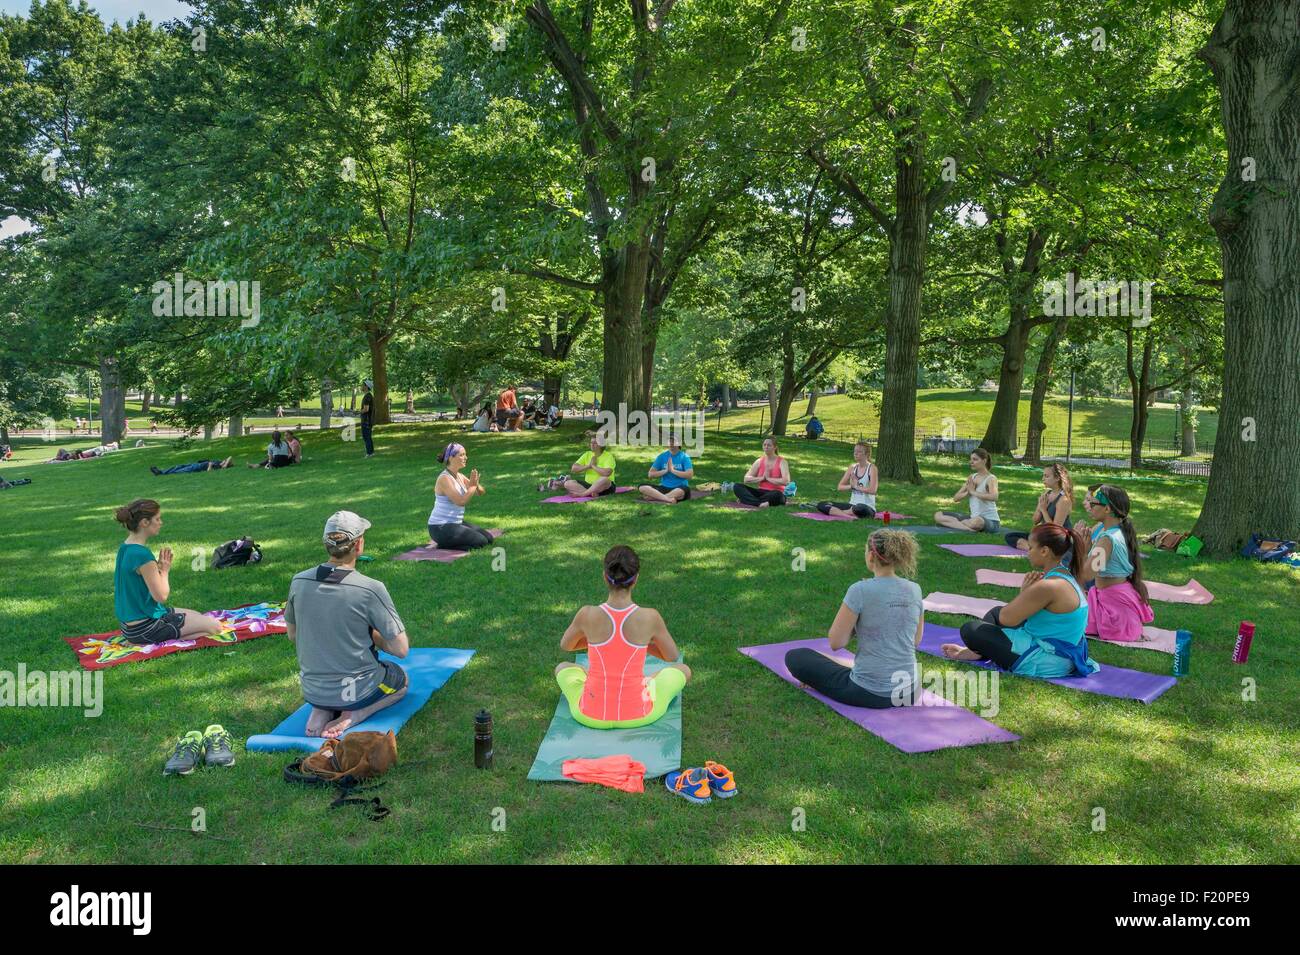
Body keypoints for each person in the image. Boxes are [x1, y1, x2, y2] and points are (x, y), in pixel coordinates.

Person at [286, 511, 410, 739]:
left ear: (326, 544)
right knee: (400, 680)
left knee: (331, 678)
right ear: (359, 544)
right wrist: (372, 634)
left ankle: (321, 709)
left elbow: (293, 635)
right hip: (355, 693)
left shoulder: (299, 581)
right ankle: (356, 713)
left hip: (313, 690)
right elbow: (401, 649)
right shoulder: (369, 588)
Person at [554, 545, 690, 728]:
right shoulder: (650, 617)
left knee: (562, 667)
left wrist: (597, 642)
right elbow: (672, 656)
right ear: (635, 580)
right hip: (639, 715)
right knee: (683, 670)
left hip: (589, 714)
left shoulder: (587, 614)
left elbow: (567, 645)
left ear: (605, 577)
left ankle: (639, 683)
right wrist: (642, 643)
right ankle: (647, 682)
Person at [785, 530, 923, 707]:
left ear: (871, 555)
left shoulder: (860, 590)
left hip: (869, 692)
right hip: (910, 691)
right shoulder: (914, 589)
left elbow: (836, 642)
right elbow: (915, 640)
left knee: (796, 656)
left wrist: (858, 623)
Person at [942, 523, 1099, 678]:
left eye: (1031, 548)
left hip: (1046, 660)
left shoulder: (1048, 586)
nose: (1028, 553)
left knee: (970, 629)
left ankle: (977, 651)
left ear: (1044, 551)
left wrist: (1024, 593)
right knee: (995, 612)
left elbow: (1007, 619)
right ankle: (978, 652)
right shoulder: (1065, 575)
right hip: (1064, 655)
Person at [112, 499, 224, 645]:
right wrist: (164, 571)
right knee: (215, 627)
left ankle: (150, 638)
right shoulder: (142, 555)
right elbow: (161, 596)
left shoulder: (125, 547)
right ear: (144, 522)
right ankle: (146, 641)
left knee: (197, 616)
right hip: (145, 628)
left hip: (131, 626)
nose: (161, 522)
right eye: (157, 519)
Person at [1075, 484, 1154, 642]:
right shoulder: (1115, 531)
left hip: (1114, 605)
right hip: (1112, 598)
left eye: (1094, 503)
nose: (1090, 506)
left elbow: (1087, 575)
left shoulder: (1107, 538)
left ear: (1107, 509)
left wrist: (1081, 549)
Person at [428, 443, 494, 550]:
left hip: (455, 523)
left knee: (489, 538)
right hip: (440, 527)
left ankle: (449, 543)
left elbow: (480, 492)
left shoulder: (460, 476)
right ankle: (444, 545)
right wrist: (472, 486)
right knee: (481, 542)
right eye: (462, 455)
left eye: (465, 454)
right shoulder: (444, 479)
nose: (466, 457)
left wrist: (476, 483)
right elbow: (461, 501)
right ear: (451, 457)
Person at [1005, 463, 1073, 550]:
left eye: (1046, 476)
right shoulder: (1046, 494)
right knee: (1010, 536)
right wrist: (1040, 508)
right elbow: (1035, 520)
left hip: (1058, 539)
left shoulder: (1064, 500)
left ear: (1057, 478)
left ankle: (1036, 549)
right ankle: (1035, 549)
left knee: (1031, 539)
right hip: (1045, 535)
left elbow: (1055, 529)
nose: (1043, 479)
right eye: (1043, 476)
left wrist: (1043, 510)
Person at [934, 448, 1000, 532]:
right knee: (938, 515)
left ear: (984, 461)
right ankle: (968, 528)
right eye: (971, 459)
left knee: (977, 522)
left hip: (990, 521)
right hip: (972, 517)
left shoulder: (991, 478)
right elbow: (956, 498)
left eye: (975, 459)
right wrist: (968, 493)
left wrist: (973, 492)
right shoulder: (972, 477)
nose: (971, 462)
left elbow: (994, 497)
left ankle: (959, 524)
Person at [815, 440, 878, 518]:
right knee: (822, 504)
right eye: (855, 451)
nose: (856, 453)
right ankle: (849, 516)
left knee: (859, 508)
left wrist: (856, 487)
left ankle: (839, 512)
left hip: (866, 508)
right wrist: (851, 486)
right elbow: (840, 487)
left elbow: (873, 491)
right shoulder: (852, 467)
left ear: (867, 454)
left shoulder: (872, 468)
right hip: (851, 505)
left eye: (859, 451)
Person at [734, 437, 790, 507]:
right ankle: (759, 503)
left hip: (775, 492)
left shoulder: (782, 462)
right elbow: (746, 479)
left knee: (778, 495)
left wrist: (768, 478)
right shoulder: (759, 461)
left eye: (769, 445)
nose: (766, 447)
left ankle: (747, 500)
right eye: (764, 445)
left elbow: (786, 481)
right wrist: (762, 478)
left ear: (775, 447)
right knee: (737, 486)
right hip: (761, 492)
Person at [639, 434, 693, 503]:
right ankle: (667, 499)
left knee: (682, 491)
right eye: (669, 441)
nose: (671, 443)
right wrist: (665, 470)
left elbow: (690, 475)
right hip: (664, 487)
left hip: (679, 488)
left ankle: (656, 497)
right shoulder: (662, 457)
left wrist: (673, 470)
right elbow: (650, 474)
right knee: (642, 487)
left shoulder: (684, 457)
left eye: (673, 441)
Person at [564, 433, 617, 498]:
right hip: (589, 485)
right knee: (567, 483)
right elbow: (574, 468)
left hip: (605, 486)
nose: (592, 445)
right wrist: (588, 466)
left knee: (604, 479)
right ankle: (592, 493)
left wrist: (593, 466)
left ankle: (582, 494)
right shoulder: (587, 454)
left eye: (595, 443)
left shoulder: (608, 456)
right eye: (591, 443)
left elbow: (607, 473)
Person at [151, 457, 234, 475]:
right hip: (195, 464)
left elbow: (208, 473)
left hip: (197, 468)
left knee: (179, 471)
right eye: (225, 460)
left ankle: (160, 473)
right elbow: (230, 457)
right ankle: (161, 471)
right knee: (177, 467)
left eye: (225, 461)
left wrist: (209, 466)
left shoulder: (218, 467)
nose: (224, 460)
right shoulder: (218, 461)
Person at [359, 379, 375, 457]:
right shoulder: (368, 396)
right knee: (367, 436)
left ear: (366, 387)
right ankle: (371, 452)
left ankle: (369, 453)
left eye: (362, 385)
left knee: (366, 436)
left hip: (366, 420)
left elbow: (366, 409)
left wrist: (359, 412)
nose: (361, 386)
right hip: (368, 420)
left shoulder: (367, 397)